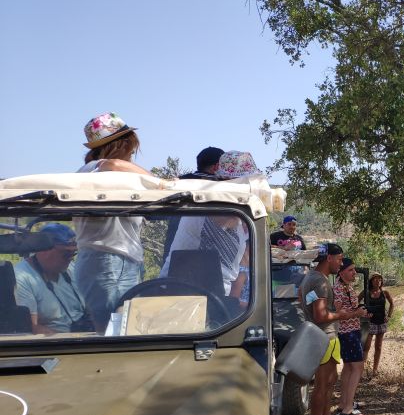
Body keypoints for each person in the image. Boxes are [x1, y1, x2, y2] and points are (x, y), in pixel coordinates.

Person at [74, 112, 149, 332]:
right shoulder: (93, 169)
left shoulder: (115, 177)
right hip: (105, 258)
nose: (132, 155)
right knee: (109, 330)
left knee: (126, 327)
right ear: (121, 145)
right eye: (131, 149)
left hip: (124, 258)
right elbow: (115, 164)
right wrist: (158, 182)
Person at [161, 152, 257, 298]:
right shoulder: (207, 208)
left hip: (216, 295)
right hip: (180, 291)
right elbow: (223, 220)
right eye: (245, 182)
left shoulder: (241, 215)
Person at [300, 243, 367, 415]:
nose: (340, 263)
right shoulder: (320, 282)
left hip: (326, 337)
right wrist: (343, 314)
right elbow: (320, 315)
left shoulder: (311, 278)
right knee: (322, 386)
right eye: (339, 259)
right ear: (328, 258)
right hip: (324, 338)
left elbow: (303, 299)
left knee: (330, 382)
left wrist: (327, 309)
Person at [14, 223, 91, 335]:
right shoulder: (22, 278)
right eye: (66, 254)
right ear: (43, 250)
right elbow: (31, 328)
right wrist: (68, 341)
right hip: (57, 344)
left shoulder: (71, 268)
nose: (70, 259)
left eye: (73, 253)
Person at [333, 258, 367, 415]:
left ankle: (344, 403)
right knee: (358, 367)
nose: (354, 272)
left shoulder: (347, 287)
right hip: (347, 332)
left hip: (352, 330)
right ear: (341, 272)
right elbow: (339, 313)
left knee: (348, 367)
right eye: (351, 270)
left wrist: (360, 313)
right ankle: (348, 408)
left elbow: (349, 309)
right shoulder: (338, 289)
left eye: (354, 269)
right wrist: (357, 314)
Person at [362, 273, 394, 377]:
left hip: (381, 322)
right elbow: (356, 303)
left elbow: (392, 304)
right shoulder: (366, 292)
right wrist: (363, 313)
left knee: (378, 347)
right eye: (375, 279)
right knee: (366, 347)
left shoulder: (384, 292)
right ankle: (362, 370)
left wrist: (388, 316)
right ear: (371, 281)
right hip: (370, 322)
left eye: (380, 280)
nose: (378, 282)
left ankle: (375, 370)